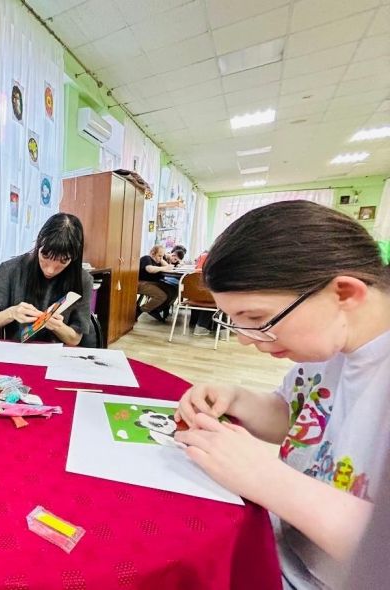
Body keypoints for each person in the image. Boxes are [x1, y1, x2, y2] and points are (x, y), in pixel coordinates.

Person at [172, 201, 390, 590]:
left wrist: (265, 477)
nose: (245, 339)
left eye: (256, 319)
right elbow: (295, 418)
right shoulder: (330, 347)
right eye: (235, 321)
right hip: (277, 553)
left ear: (344, 293)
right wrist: (235, 397)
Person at [0, 212, 93, 346]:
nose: (50, 270)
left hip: (58, 354)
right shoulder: (11, 270)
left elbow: (75, 339)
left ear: (74, 257)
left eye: (63, 261)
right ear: (39, 243)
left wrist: (58, 327)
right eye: (45, 256)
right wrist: (12, 313)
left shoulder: (83, 280)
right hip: (18, 352)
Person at [136, 245, 174, 322]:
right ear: (153, 253)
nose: (161, 258)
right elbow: (149, 269)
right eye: (159, 255)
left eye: (162, 256)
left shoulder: (158, 262)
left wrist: (161, 259)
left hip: (154, 283)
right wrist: (164, 267)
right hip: (142, 283)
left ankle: (156, 309)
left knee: (172, 290)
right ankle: (140, 310)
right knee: (161, 296)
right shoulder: (147, 258)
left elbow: (169, 268)